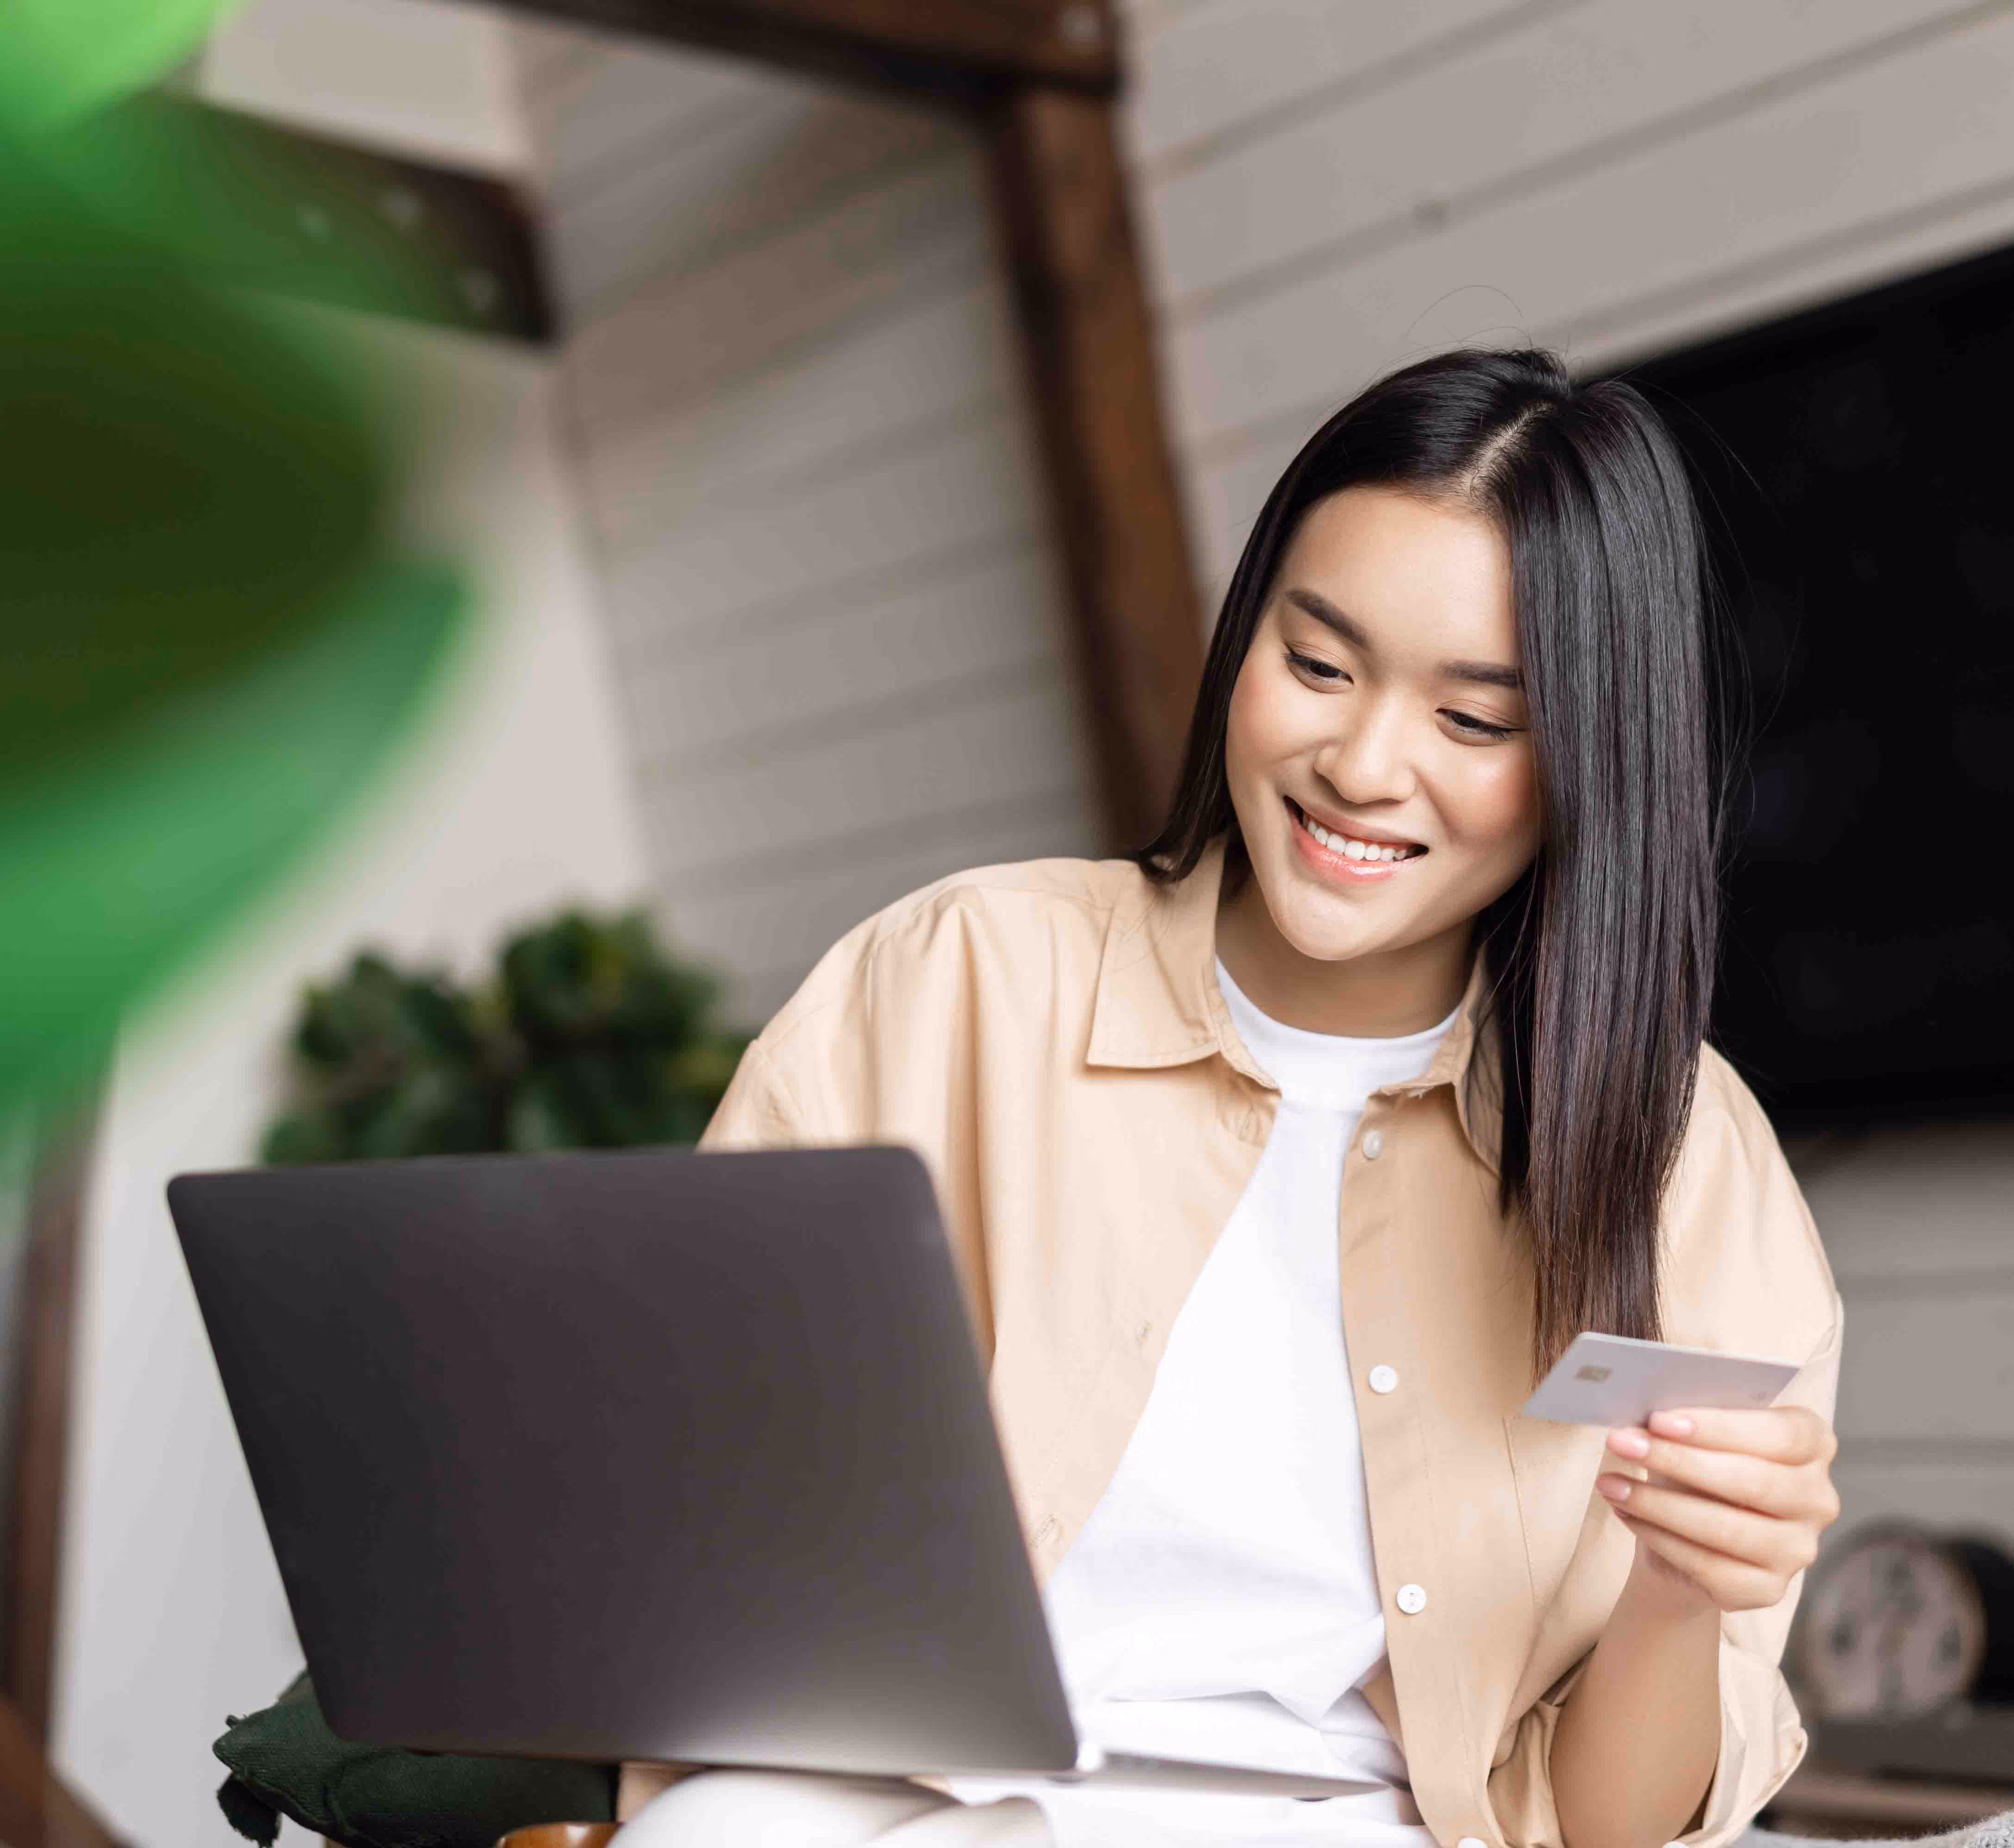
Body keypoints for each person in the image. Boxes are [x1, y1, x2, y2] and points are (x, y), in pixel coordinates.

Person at [614, 348, 1844, 1848]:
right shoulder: (959, 977)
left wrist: (1685, 1588)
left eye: (1473, 722)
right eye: (1318, 666)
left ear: (1591, 760)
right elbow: (684, 1505)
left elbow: (1599, 1837)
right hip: (879, 1801)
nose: (1362, 765)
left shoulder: (1684, 1159)